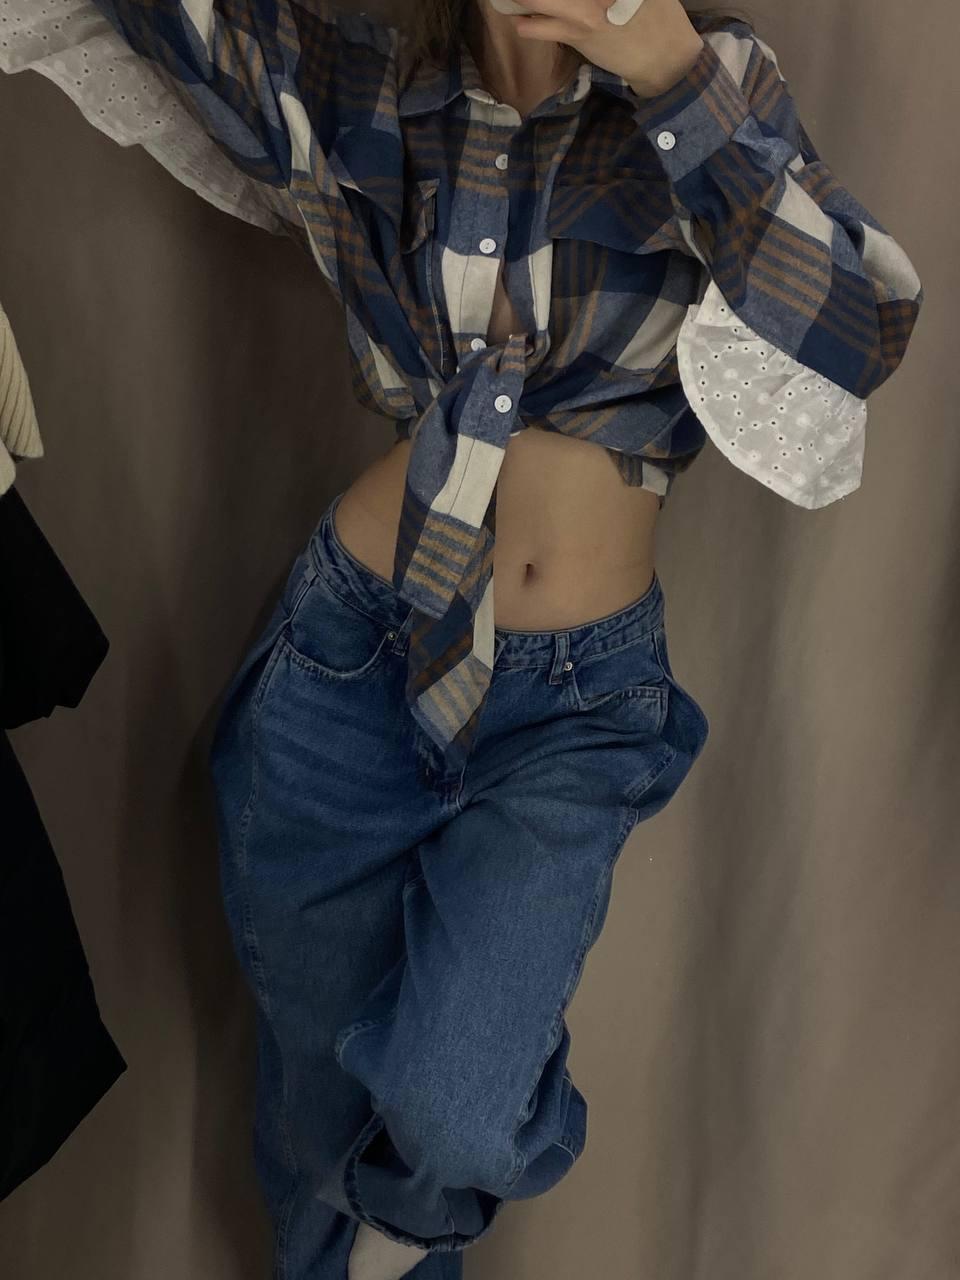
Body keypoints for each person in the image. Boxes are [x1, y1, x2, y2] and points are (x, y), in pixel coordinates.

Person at [0, 2, 923, 1277]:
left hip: (569, 707)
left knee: (451, 1110)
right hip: (344, 670)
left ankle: (399, 1232)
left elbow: (853, 337)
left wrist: (671, 72)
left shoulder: (709, 77)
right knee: (319, 1139)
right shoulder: (373, 82)